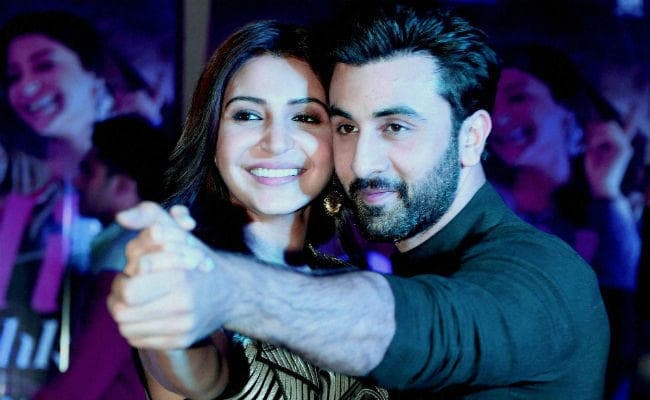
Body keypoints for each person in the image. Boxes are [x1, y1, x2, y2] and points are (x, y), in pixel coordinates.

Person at [108, 4, 609, 398]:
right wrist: (174, 308)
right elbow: (199, 371)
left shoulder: (545, 275)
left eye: (396, 127)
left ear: (472, 137)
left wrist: (225, 289)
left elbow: (422, 329)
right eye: (347, 126)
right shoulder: (379, 269)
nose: (363, 161)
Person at [111, 20, 389, 400]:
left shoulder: (357, 286)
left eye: (305, 117)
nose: (275, 143)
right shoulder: (199, 272)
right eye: (247, 115)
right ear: (213, 136)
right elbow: (200, 373)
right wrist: (168, 317)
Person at [486, 44, 641, 400]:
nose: (498, 116)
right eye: (489, 106)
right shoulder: (481, 203)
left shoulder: (611, 210)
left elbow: (618, 320)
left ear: (567, 112)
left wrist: (606, 191)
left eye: (517, 97)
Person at [30, 115, 169, 399]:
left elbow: (82, 383)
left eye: (88, 171)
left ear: (122, 186)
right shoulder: (139, 248)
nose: (77, 181)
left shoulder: (127, 259)